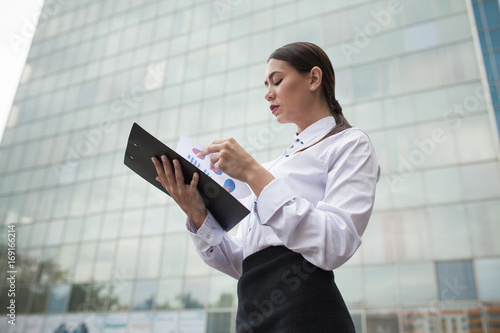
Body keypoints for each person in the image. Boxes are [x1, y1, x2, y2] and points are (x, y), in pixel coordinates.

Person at [152, 42, 380, 332]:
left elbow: (337, 241)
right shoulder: (274, 168)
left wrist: (251, 172)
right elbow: (241, 262)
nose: (268, 93)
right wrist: (198, 214)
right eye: (266, 84)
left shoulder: (349, 143)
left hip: (306, 312)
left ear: (313, 78)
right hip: (250, 312)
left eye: (277, 80)